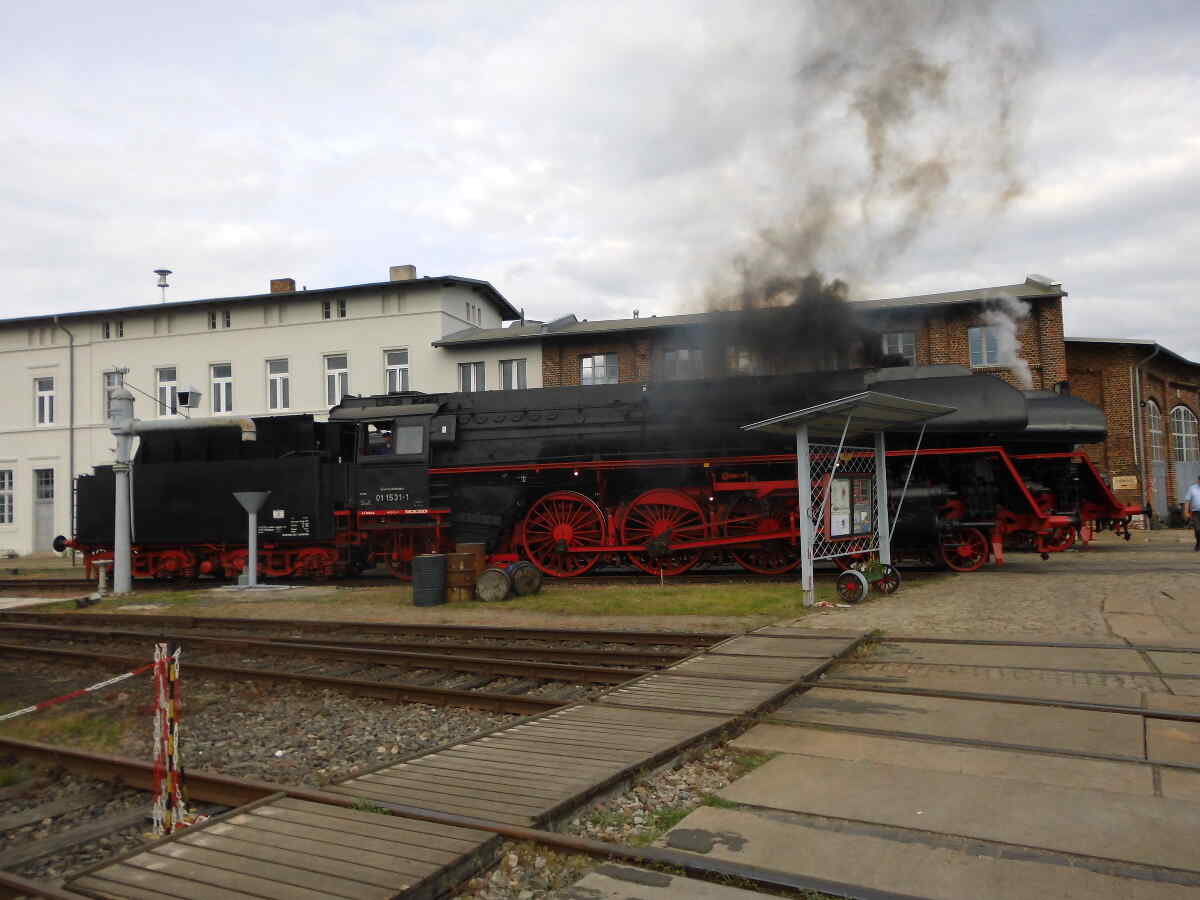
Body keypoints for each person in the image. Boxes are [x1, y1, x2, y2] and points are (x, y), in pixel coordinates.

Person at [1185, 475, 1200, 551]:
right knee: (1197, 529)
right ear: (1198, 480)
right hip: (1195, 512)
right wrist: (1186, 511)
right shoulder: (1192, 488)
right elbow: (1187, 500)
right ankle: (1198, 542)